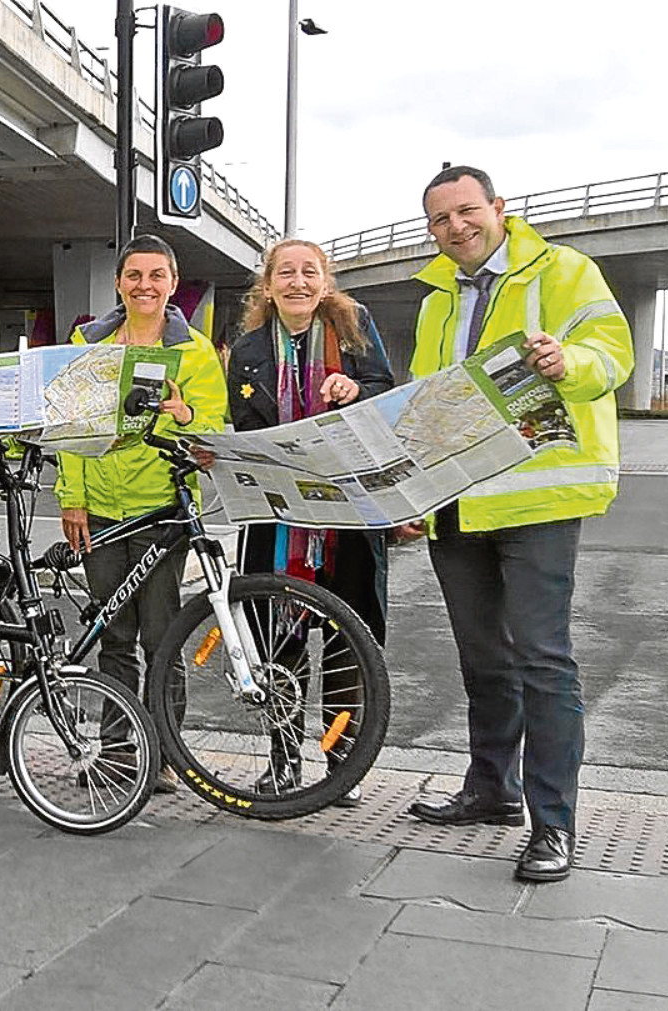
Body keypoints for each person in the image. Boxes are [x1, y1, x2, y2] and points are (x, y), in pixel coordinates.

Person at [402, 166, 633, 883]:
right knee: (483, 658)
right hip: (458, 500)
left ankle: (553, 825)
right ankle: (489, 787)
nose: (456, 228)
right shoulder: (437, 297)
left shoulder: (564, 271)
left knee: (542, 657)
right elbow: (424, 400)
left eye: (467, 212)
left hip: (536, 499)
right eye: (440, 220)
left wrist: (571, 361)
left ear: (499, 208)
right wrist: (410, 489)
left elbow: (613, 352)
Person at [54, 233, 227, 793]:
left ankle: (166, 751)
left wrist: (184, 414)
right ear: (118, 283)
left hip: (161, 511)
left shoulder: (194, 351)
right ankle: (117, 751)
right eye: (135, 276)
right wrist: (72, 496)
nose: (145, 286)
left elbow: (212, 434)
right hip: (101, 510)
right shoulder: (89, 342)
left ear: (173, 284)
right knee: (114, 637)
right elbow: (70, 427)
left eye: (157, 276)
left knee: (162, 637)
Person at [227, 239, 394, 805]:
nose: (298, 282)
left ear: (325, 281)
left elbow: (387, 397)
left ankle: (340, 762)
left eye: (309, 272)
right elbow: (242, 428)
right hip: (276, 520)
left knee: (350, 643)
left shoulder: (354, 330)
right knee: (279, 643)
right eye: (286, 273)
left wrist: (357, 389)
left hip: (347, 519)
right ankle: (281, 759)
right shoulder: (247, 350)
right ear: (267, 285)